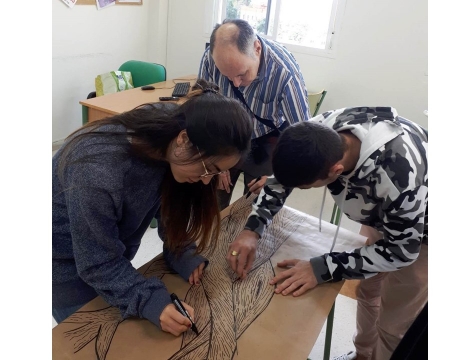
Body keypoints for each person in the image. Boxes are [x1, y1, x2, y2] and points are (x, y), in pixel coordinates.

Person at [52, 79, 252, 336]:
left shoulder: (175, 129)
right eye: (208, 169)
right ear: (183, 140)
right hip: (62, 266)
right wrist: (149, 301)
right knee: (94, 343)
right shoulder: (98, 172)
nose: (205, 180)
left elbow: (166, 193)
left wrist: (181, 250)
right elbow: (97, 262)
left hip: (104, 252)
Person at [228, 107, 428, 360]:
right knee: (368, 292)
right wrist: (252, 230)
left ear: (335, 171)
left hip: (422, 232)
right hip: (385, 214)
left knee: (395, 325)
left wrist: (322, 267)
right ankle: (363, 356)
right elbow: (280, 180)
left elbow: (402, 251)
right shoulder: (321, 129)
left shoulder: (396, 177)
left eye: (307, 186)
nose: (300, 188)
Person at [198, 18, 310, 210]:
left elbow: (304, 137)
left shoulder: (285, 74)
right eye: (227, 76)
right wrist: (212, 156)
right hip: (226, 135)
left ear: (257, 48)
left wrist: (277, 179)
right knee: (212, 203)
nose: (235, 83)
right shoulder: (211, 58)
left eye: (241, 74)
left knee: (252, 205)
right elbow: (204, 110)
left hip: (266, 138)